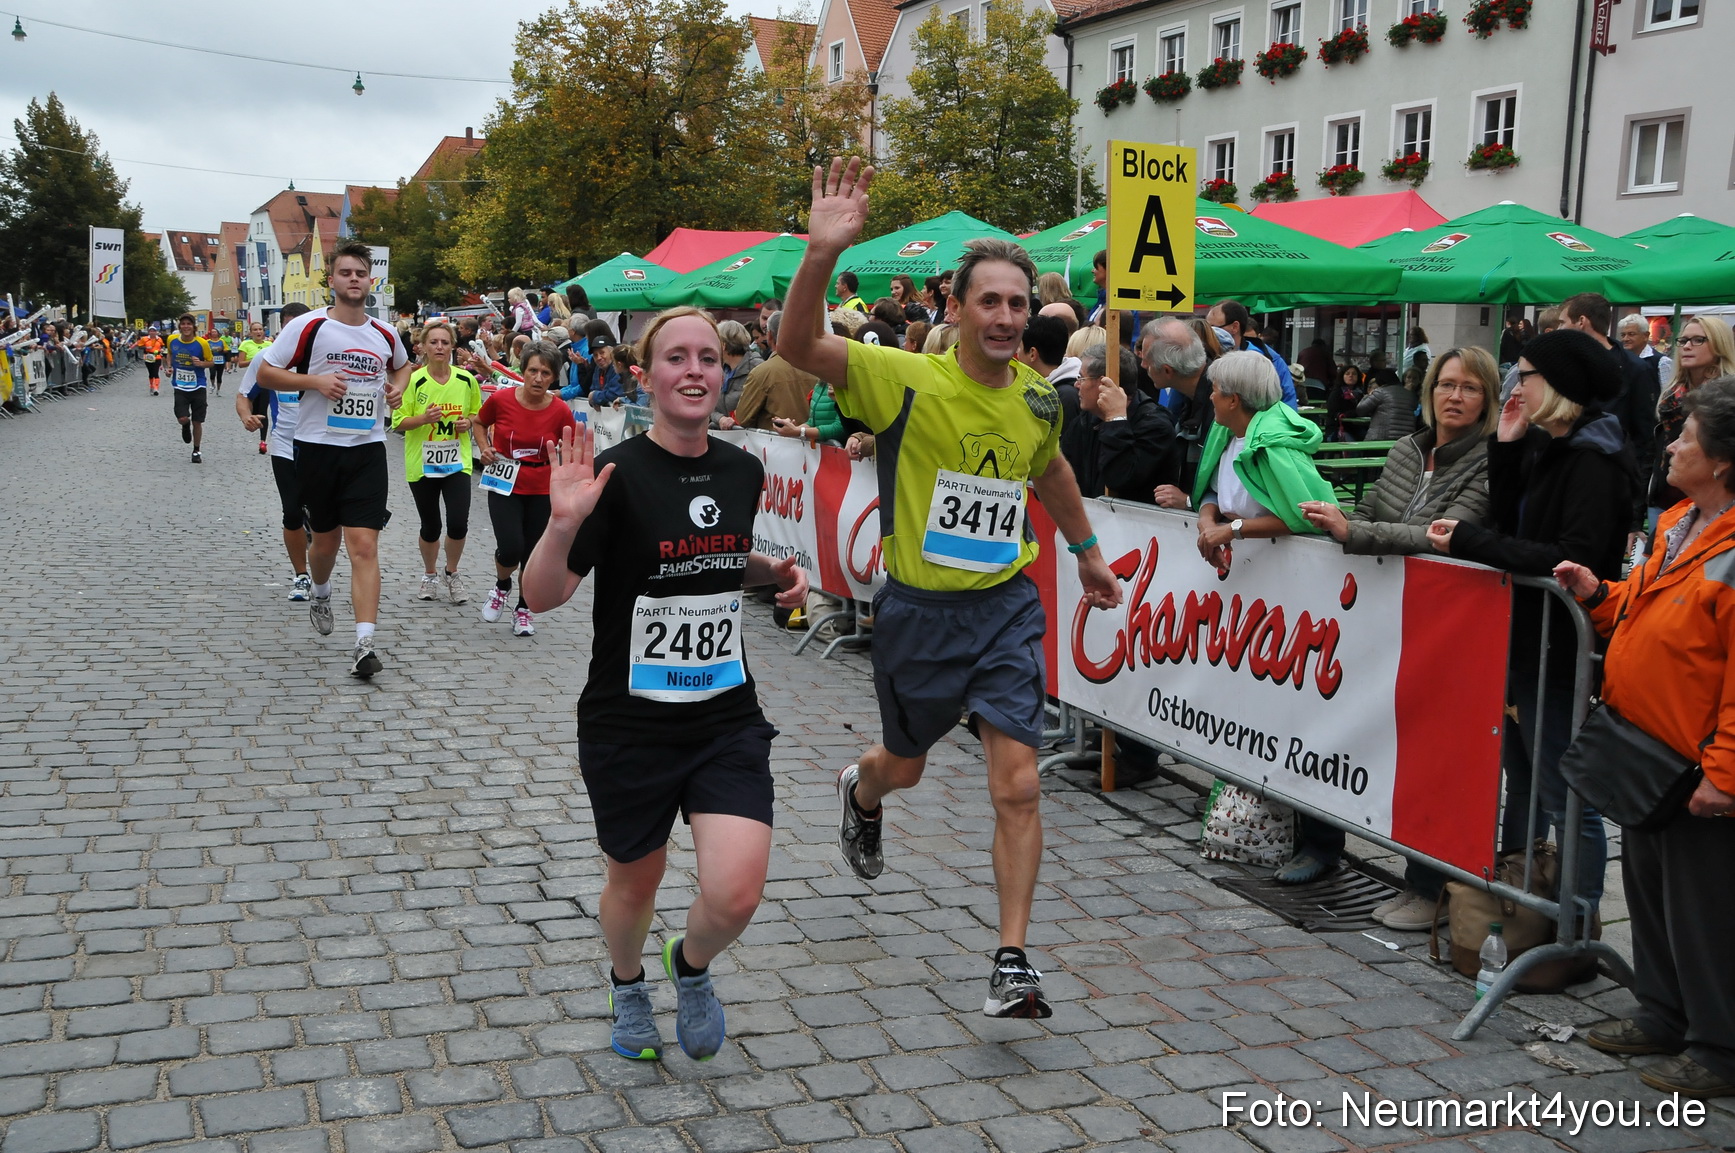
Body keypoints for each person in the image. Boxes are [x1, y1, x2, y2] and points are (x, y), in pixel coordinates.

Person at [779, 158, 1122, 1020]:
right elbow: (796, 347)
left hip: (1004, 608)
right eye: (990, 302)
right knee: (907, 763)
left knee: (1017, 783)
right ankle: (860, 790)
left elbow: (1050, 473)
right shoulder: (902, 377)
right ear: (958, 308)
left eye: (1018, 304)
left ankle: (1012, 960)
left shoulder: (1041, 402)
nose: (1006, 317)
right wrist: (821, 255)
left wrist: (1083, 551)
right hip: (919, 614)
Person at [519, 307, 809, 1063]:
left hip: (723, 714)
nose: (694, 369)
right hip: (629, 722)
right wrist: (559, 524)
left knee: (737, 891)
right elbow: (541, 596)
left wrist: (771, 571)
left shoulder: (743, 468)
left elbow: (712, 553)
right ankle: (626, 981)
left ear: (723, 373)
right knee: (635, 883)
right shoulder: (614, 476)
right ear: (646, 375)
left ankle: (691, 964)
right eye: (675, 356)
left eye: (708, 357)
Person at [1554, 377, 1735, 1099]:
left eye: (1683, 436)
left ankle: (1717, 1044)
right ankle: (1662, 1011)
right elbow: (1648, 602)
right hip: (1646, 751)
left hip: (1696, 764)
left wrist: (1723, 772)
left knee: (1706, 911)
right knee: (1653, 891)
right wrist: (1601, 597)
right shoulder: (1677, 523)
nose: (1669, 445)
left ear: (1721, 460)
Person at [1427, 330, 1637, 925]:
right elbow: (1516, 511)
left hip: (1557, 641)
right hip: (1525, 637)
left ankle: (1576, 919)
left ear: (1561, 386)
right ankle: (1522, 900)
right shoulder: (1554, 444)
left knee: (1563, 792)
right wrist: (1510, 444)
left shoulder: (1594, 458)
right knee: (1521, 777)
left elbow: (1567, 556)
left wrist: (1471, 541)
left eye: (1528, 375)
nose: (1518, 387)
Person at [1300, 347, 1499, 922]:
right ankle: (1322, 841)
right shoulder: (1409, 447)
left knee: (1428, 752)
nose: (1454, 396)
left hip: (1441, 628)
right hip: (1377, 615)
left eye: (1469, 387)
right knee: (1345, 729)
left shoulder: (1488, 460)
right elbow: (1371, 509)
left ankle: (1430, 884)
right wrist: (1347, 524)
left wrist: (1355, 532)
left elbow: (1442, 535)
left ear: (1486, 398)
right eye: (1446, 385)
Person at [256, 239, 411, 679]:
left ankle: (364, 643)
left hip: (366, 451)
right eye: (345, 273)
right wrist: (315, 382)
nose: (354, 280)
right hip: (317, 449)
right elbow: (267, 372)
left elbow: (402, 365)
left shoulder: (384, 333)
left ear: (371, 279)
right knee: (324, 542)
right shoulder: (307, 326)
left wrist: (397, 387)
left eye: (361, 273)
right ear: (332, 280)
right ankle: (321, 590)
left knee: (364, 546)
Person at [477, 342, 579, 637]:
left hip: (541, 487)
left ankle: (523, 609)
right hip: (503, 481)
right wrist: (484, 448)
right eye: (533, 370)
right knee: (510, 547)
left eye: (545, 373)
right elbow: (479, 423)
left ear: (552, 378)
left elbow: (571, 445)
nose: (537, 378)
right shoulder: (502, 399)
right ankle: (501, 585)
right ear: (523, 371)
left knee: (532, 554)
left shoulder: (560, 410)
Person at [393, 320, 485, 605]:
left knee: (458, 523)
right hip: (422, 464)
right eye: (434, 342)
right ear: (422, 347)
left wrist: (466, 422)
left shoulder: (466, 380)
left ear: (453, 347)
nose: (440, 347)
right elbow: (398, 423)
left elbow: (477, 416)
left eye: (445, 342)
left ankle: (452, 572)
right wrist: (424, 418)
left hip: (457, 462)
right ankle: (430, 574)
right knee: (430, 526)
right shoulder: (413, 380)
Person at [1562, 292, 1660, 534]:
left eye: (1563, 322)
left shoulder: (1634, 369)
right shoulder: (1562, 365)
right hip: (1564, 481)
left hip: (1608, 489)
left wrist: (1633, 513)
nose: (1559, 329)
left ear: (1581, 321)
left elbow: (1644, 440)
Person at [235, 303, 313, 600]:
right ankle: (301, 576)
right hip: (284, 444)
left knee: (322, 519)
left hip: (320, 446)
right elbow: (243, 396)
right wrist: (246, 417)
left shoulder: (324, 358)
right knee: (291, 513)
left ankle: (319, 574)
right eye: (289, 328)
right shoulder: (268, 360)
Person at [1647, 315, 1735, 524]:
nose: (1687, 346)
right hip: (1662, 498)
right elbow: (1656, 450)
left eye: (1698, 340)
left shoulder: (1727, 399)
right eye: (1684, 340)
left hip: (1708, 499)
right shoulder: (1671, 395)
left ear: (1719, 345)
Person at [1071, 343, 1177, 500]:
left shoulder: (1155, 425)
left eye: (1082, 378)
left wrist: (1115, 420)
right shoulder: (1088, 419)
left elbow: (1119, 478)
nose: (1076, 385)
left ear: (1103, 384)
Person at [724, 312, 816, 431]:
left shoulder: (762, 373)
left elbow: (742, 418)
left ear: (770, 336)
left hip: (774, 445)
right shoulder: (818, 369)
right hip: (814, 444)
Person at [1207, 300, 1298, 410]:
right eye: (1207, 328)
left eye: (1213, 327)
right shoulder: (1204, 356)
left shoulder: (1270, 360)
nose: (1209, 333)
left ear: (1235, 327)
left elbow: (1289, 404)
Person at [166, 314, 215, 464]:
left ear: (194, 327)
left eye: (189, 324)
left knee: (197, 421)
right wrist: (169, 367)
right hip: (180, 386)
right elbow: (169, 354)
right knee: (182, 418)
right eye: (183, 324)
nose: (186, 327)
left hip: (198, 385)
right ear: (179, 326)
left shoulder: (202, 343)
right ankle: (185, 425)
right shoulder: (171, 340)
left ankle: (196, 450)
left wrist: (201, 364)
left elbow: (211, 362)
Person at [714, 320, 762, 427]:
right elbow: (708, 406)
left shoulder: (757, 368)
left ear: (723, 345)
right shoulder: (719, 369)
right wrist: (720, 418)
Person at [1357, 364, 1419, 441]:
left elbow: (1360, 410)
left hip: (1380, 438)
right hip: (1405, 440)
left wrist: (1367, 396)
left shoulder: (1380, 392)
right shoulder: (1410, 395)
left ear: (1380, 381)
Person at [238, 321, 273, 454]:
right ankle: (249, 419)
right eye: (255, 330)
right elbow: (240, 363)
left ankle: (263, 441)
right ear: (251, 332)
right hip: (251, 381)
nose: (258, 332)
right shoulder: (246, 344)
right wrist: (254, 361)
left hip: (265, 382)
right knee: (254, 411)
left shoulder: (270, 345)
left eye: (260, 329)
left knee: (263, 411)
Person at [1326, 364, 1365, 442]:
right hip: (1338, 428)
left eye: (1354, 374)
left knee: (1367, 438)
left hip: (1356, 427)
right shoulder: (1336, 393)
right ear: (1342, 376)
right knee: (1351, 445)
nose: (1351, 376)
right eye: (1347, 374)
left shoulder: (1360, 393)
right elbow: (1333, 412)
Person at [137, 326, 164, 396]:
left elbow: (162, 346)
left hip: (157, 357)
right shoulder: (144, 339)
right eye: (151, 331)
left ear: (156, 332)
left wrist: (162, 349)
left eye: (154, 331)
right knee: (151, 373)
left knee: (156, 372)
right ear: (149, 332)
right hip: (148, 357)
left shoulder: (159, 339)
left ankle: (156, 388)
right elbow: (139, 346)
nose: (152, 332)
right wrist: (146, 347)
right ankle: (152, 386)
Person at [205, 323, 228, 396]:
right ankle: (212, 385)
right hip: (212, 360)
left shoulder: (222, 341)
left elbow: (226, 350)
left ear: (218, 333)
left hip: (220, 360)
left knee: (219, 376)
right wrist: (210, 350)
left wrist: (221, 349)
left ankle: (218, 390)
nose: (214, 333)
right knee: (212, 374)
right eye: (212, 332)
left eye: (215, 332)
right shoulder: (207, 342)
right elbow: (204, 350)